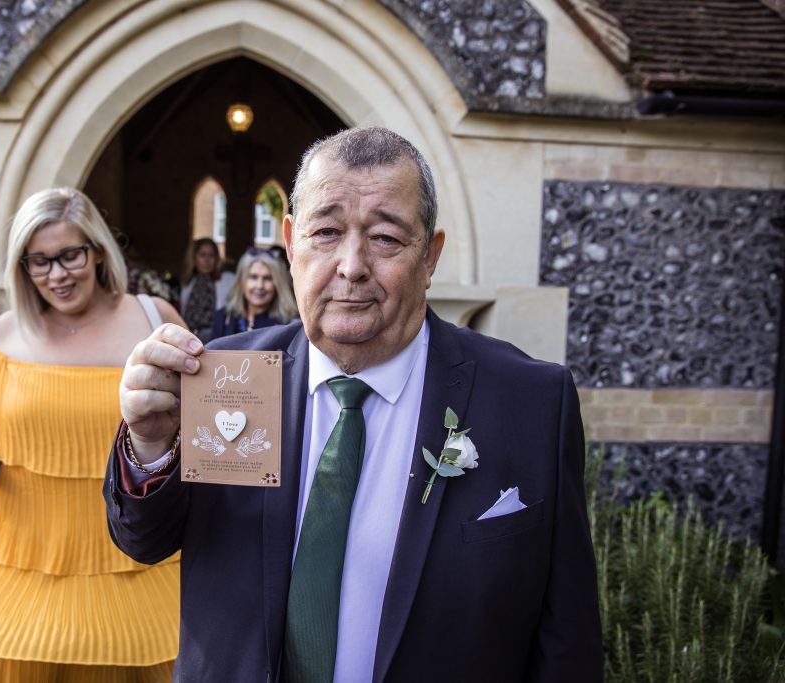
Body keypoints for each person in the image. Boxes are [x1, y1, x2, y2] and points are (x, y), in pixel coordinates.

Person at [105, 128, 603, 682]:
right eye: (327, 232)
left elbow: (566, 639)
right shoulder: (225, 378)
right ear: (291, 243)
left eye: (386, 238)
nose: (351, 265)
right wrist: (149, 445)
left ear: (430, 256)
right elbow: (143, 541)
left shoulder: (530, 402)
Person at [0, 187, 182, 682]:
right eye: (39, 262)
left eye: (69, 255)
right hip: (24, 565)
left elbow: (200, 432)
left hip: (133, 566)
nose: (57, 275)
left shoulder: (154, 322)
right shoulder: (6, 333)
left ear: (98, 250)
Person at [209, 247, 298, 339]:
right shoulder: (223, 317)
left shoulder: (289, 324)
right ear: (241, 280)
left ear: (278, 284)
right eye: (253, 277)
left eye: (267, 278)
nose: (259, 286)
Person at [179, 237, 234, 341]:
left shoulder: (227, 280)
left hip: (215, 337)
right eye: (202, 255)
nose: (207, 260)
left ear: (216, 259)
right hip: (188, 336)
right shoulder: (188, 281)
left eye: (211, 256)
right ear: (194, 258)